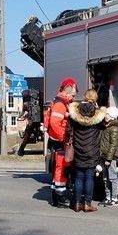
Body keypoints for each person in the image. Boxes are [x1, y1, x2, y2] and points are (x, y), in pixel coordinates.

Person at [68, 89, 106, 212]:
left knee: (78, 177)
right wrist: (98, 108)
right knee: (89, 177)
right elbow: (103, 126)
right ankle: (87, 204)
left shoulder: (76, 112)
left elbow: (69, 129)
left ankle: (77, 203)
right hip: (92, 150)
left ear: (84, 97)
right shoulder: (98, 114)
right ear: (95, 98)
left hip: (78, 149)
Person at [44, 78, 77, 207]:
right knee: (61, 170)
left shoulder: (59, 102)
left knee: (59, 169)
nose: (73, 97)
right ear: (67, 92)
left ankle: (56, 197)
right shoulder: (60, 104)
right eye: (73, 95)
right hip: (60, 141)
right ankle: (61, 197)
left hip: (57, 141)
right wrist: (64, 138)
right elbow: (55, 123)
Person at [99, 106, 118, 206]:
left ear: (112, 116)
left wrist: (108, 159)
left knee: (112, 178)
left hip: (110, 158)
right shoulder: (107, 127)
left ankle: (114, 199)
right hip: (104, 156)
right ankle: (108, 197)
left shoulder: (114, 128)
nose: (106, 116)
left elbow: (113, 145)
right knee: (105, 178)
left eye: (108, 114)